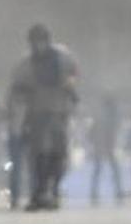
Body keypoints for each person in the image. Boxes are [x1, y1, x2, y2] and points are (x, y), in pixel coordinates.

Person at [8, 24, 79, 211]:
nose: (38, 45)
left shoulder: (63, 58)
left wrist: (71, 92)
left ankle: (53, 191)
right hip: (37, 113)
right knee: (38, 156)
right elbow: (17, 88)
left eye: (41, 40)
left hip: (59, 112)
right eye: (35, 41)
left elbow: (73, 77)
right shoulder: (27, 63)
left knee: (59, 154)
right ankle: (39, 192)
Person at [89, 92, 125, 204]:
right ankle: (118, 190)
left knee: (99, 169)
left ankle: (95, 191)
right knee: (112, 169)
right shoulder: (112, 119)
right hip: (107, 146)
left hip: (101, 146)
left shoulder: (100, 118)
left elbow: (91, 133)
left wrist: (95, 142)